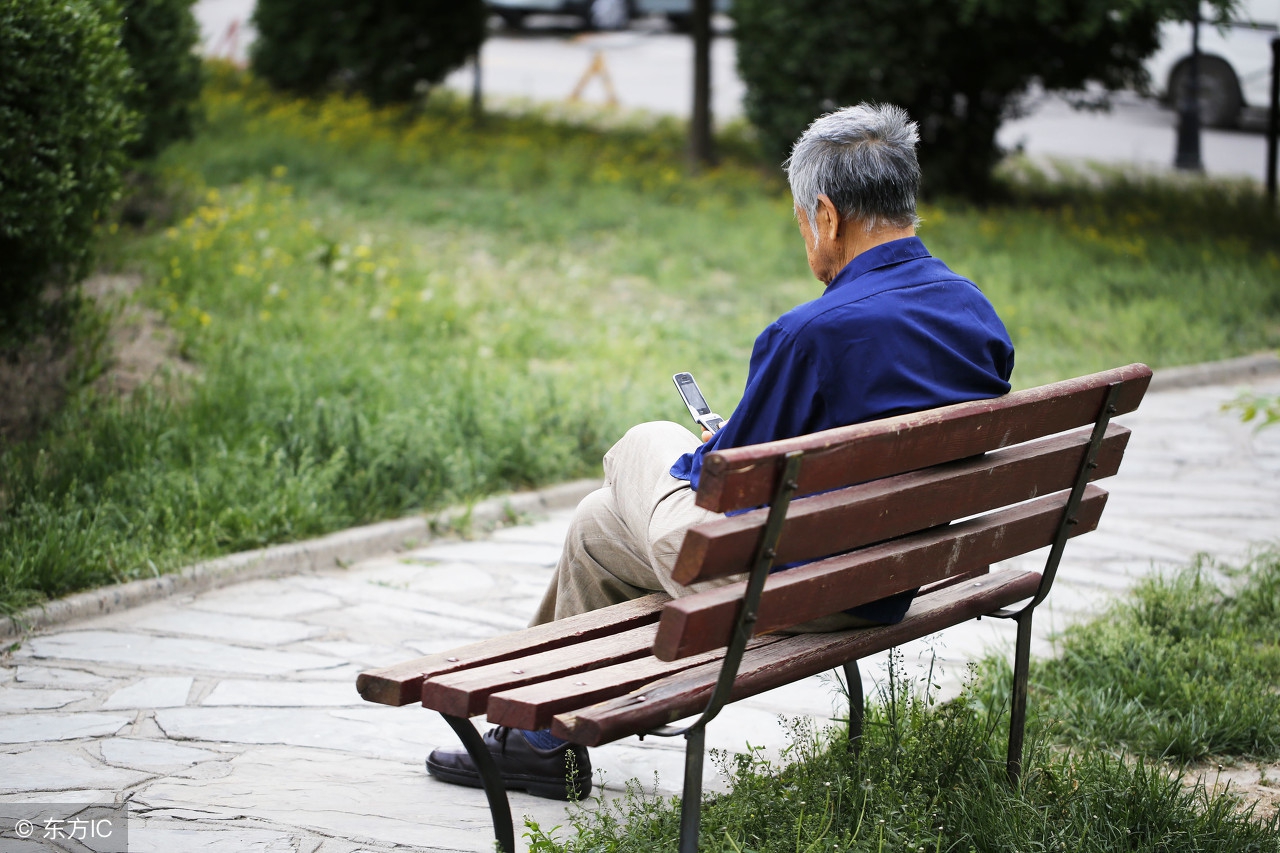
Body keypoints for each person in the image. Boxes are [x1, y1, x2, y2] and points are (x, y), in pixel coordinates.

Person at [426, 102, 1015, 800]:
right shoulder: (973, 311)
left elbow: (721, 491)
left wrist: (712, 450)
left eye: (802, 223)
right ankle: (539, 740)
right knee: (594, 525)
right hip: (891, 578)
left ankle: (533, 729)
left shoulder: (810, 335)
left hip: (788, 588)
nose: (806, 239)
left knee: (647, 444)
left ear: (825, 215)